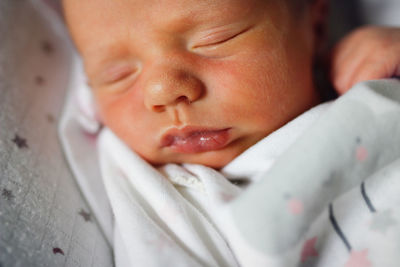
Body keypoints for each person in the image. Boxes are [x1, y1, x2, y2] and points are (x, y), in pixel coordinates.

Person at [61, 0, 400, 266]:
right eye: (118, 76)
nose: (162, 90)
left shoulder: (370, 78)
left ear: (316, 24)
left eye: (215, 39)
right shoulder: (156, 192)